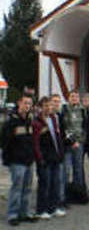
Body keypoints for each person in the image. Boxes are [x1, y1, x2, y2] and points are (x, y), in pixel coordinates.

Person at [1, 94, 38, 226]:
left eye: (29, 104)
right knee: (17, 188)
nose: (27, 106)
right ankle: (13, 214)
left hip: (28, 160)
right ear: (19, 103)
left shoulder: (29, 120)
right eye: (25, 103)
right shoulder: (11, 121)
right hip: (16, 161)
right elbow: (5, 142)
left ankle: (25, 212)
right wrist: (8, 159)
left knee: (27, 188)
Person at [32, 97, 66, 219]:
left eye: (50, 105)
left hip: (55, 157)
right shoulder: (36, 122)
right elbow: (35, 143)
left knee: (55, 184)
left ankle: (53, 208)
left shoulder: (53, 119)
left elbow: (57, 137)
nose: (49, 108)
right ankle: (41, 210)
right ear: (40, 107)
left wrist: (61, 153)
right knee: (44, 185)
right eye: (46, 106)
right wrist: (40, 158)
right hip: (44, 159)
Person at [62, 90, 86, 188]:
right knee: (66, 170)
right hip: (67, 144)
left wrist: (81, 140)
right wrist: (72, 141)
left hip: (79, 143)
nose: (74, 98)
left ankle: (78, 192)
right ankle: (64, 193)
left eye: (76, 96)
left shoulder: (82, 110)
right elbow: (63, 127)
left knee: (78, 169)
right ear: (68, 98)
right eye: (72, 96)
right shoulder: (64, 109)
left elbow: (85, 126)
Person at [50, 94, 67, 209]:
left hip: (60, 150)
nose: (57, 104)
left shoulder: (60, 116)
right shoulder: (46, 117)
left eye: (58, 102)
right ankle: (50, 201)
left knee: (60, 176)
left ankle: (60, 200)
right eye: (54, 102)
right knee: (50, 178)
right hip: (49, 152)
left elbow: (63, 133)